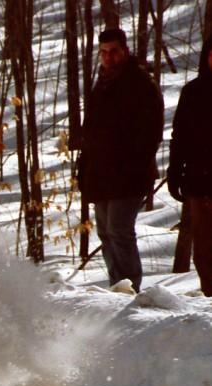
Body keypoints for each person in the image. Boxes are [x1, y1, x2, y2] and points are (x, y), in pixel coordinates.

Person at [80, 28, 164, 292]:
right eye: (103, 52)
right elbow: (90, 133)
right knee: (105, 231)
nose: (108, 57)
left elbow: (151, 132)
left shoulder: (139, 83)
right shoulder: (102, 84)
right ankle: (117, 286)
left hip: (129, 174)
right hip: (102, 174)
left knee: (119, 229)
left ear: (125, 51)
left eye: (113, 51)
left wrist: (135, 163)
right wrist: (84, 169)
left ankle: (130, 289)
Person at [167, 36, 212, 297]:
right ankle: (208, 305)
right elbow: (180, 136)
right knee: (204, 253)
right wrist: (175, 171)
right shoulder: (193, 92)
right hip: (198, 181)